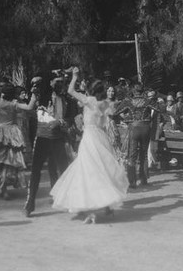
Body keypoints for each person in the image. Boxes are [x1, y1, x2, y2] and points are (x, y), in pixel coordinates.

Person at [50, 67, 129, 224]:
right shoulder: (106, 104)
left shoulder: (89, 101)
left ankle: (93, 210)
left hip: (90, 138)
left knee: (89, 171)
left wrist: (74, 76)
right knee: (103, 170)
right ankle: (106, 204)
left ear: (91, 91)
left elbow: (71, 90)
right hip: (102, 138)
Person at [23, 76, 70, 217]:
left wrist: (62, 122)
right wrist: (35, 88)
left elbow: (71, 118)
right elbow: (33, 96)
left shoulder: (66, 99)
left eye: (62, 82)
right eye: (57, 81)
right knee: (35, 171)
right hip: (42, 137)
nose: (60, 84)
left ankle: (70, 200)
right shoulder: (42, 96)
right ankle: (30, 203)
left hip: (58, 138)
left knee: (65, 171)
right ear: (50, 83)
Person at [113, 83, 160, 188]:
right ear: (143, 91)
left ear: (133, 91)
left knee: (132, 155)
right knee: (144, 155)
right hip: (146, 128)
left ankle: (132, 181)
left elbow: (115, 113)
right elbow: (159, 109)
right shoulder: (148, 101)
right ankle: (144, 179)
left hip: (134, 128)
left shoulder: (127, 102)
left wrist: (127, 118)